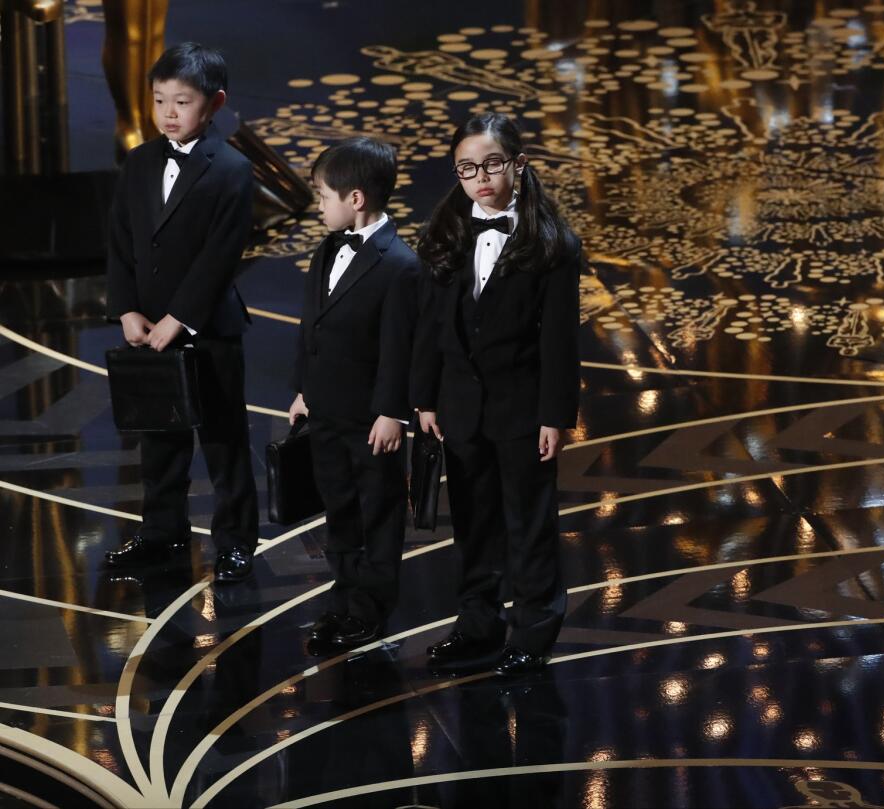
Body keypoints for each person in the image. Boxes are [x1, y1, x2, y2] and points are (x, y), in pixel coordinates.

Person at [412, 112, 582, 678]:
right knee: (474, 523)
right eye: (467, 169)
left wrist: (554, 416)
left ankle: (533, 631)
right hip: (460, 407)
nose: (480, 178)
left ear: (518, 164)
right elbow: (431, 328)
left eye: (491, 165)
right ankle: (477, 624)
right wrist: (425, 398)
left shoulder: (553, 245)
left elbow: (560, 343)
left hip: (521, 410)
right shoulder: (445, 235)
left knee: (529, 525)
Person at [105, 42, 257, 583]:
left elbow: (221, 255)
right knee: (159, 438)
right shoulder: (141, 161)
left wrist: (180, 318)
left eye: (182, 102)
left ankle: (237, 540)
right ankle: (160, 534)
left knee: (222, 439)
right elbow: (121, 241)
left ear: (214, 104)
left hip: (207, 326)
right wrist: (126, 310)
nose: (169, 113)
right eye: (159, 100)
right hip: (145, 325)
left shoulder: (233, 169)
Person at [288, 136, 421, 652]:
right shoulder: (327, 247)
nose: (319, 205)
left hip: (370, 417)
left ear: (356, 199)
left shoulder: (400, 265)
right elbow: (309, 325)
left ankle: (370, 608)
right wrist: (301, 388)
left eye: (323, 196)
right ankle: (343, 598)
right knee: (339, 509)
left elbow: (398, 349)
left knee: (378, 511)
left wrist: (392, 412)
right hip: (325, 409)